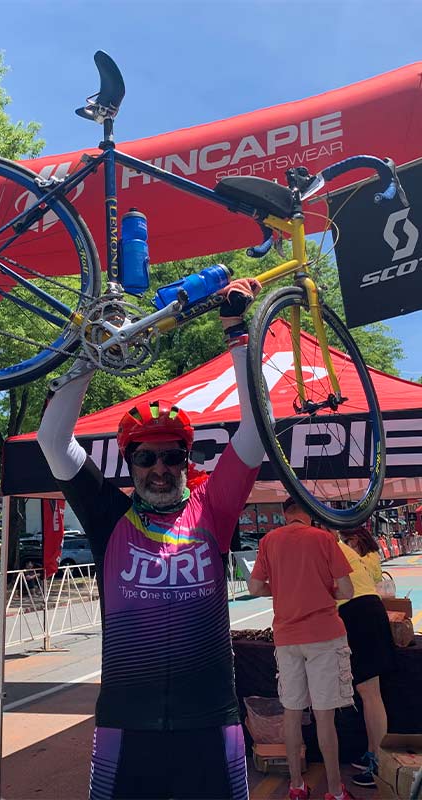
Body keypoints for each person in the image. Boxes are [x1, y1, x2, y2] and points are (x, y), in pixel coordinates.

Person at [37, 277, 264, 800]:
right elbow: (53, 440)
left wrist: (238, 331)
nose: (159, 468)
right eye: (145, 457)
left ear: (187, 461)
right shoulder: (107, 516)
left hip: (211, 720)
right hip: (125, 724)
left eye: (171, 456)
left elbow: (255, 430)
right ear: (130, 464)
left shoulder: (215, 509)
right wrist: (95, 348)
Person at [248, 498, 356, 800]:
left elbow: (255, 587)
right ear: (309, 514)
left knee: (291, 713)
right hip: (324, 635)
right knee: (325, 717)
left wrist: (279, 589)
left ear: (285, 515)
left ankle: (296, 786)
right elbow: (347, 590)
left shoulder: (269, 541)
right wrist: (324, 591)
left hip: (287, 638)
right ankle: (335, 790)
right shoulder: (323, 539)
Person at [337, 531, 395, 788]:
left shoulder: (326, 547)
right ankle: (373, 754)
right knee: (368, 690)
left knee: (369, 691)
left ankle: (380, 766)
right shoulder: (339, 547)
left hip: (358, 613)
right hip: (367, 610)